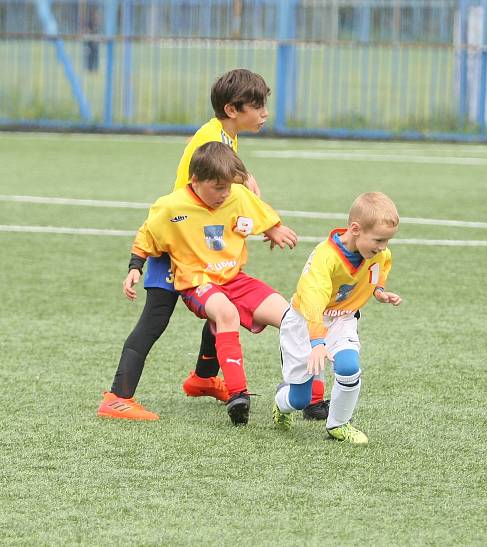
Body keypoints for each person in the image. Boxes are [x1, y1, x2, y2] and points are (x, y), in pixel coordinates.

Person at [97, 69, 326, 420]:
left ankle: (204, 378)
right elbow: (191, 197)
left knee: (221, 307)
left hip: (200, 248)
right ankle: (117, 397)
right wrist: (137, 264)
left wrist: (248, 186)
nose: (264, 113)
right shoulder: (210, 137)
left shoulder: (224, 136)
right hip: (176, 248)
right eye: (257, 106)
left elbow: (227, 185)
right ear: (233, 109)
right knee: (154, 321)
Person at [111, 142, 296, 424]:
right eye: (217, 187)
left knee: (290, 317)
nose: (224, 194)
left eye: (228, 188)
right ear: (195, 180)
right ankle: (238, 395)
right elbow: (146, 236)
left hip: (235, 278)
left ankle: (308, 397)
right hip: (197, 281)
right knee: (223, 313)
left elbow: (258, 211)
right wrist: (135, 267)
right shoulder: (171, 206)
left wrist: (275, 228)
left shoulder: (237, 194)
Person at [272, 192, 402, 445]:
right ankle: (281, 402)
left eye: (387, 241)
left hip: (342, 319)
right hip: (305, 322)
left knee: (348, 366)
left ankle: (338, 425)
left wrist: (379, 291)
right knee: (299, 399)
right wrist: (317, 343)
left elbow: (381, 267)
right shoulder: (325, 257)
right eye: (378, 240)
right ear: (355, 229)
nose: (383, 247)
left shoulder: (379, 254)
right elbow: (313, 302)